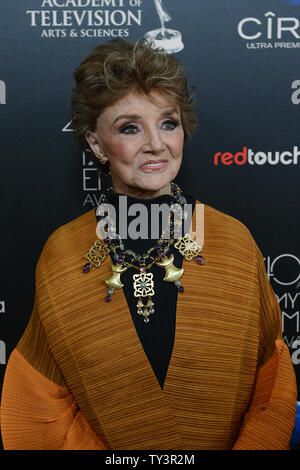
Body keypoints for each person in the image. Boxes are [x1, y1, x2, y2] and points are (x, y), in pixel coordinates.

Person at [0, 38, 297, 451]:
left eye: (168, 123)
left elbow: (272, 386)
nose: (156, 144)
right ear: (96, 144)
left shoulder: (232, 239)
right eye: (129, 128)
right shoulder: (64, 251)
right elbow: (38, 401)